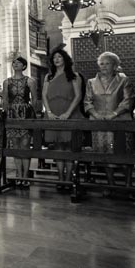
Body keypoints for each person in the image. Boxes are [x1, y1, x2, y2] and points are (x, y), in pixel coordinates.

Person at [84, 51, 135, 200]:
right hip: (99, 123)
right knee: (105, 154)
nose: (104, 66)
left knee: (124, 153)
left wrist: (113, 114)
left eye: (107, 63)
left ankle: (128, 185)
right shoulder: (91, 82)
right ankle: (110, 184)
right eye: (101, 63)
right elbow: (87, 102)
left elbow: (128, 100)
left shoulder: (124, 80)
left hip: (120, 122)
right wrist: (96, 114)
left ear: (115, 65)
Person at [42, 47, 83, 191]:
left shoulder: (74, 76)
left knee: (69, 146)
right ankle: (60, 177)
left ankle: (69, 178)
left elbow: (78, 96)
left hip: (69, 112)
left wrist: (68, 113)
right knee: (58, 147)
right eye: (54, 58)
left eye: (59, 57)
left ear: (65, 59)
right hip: (53, 113)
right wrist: (49, 112)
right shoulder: (49, 77)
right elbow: (44, 96)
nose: (56, 59)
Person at [3, 57, 38, 187]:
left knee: (25, 144)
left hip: (25, 113)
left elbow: (34, 99)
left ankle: (25, 175)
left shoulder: (30, 81)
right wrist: (5, 115)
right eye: (14, 62)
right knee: (15, 145)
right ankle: (18, 173)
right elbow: (5, 100)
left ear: (24, 66)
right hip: (12, 114)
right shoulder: (7, 82)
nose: (15, 64)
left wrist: (33, 115)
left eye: (18, 63)